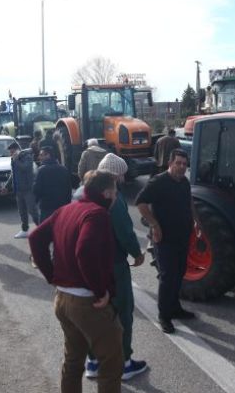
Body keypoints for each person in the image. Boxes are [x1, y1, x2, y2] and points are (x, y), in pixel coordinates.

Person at [29, 170, 123, 393]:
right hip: (87, 303)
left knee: (73, 361)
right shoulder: (97, 214)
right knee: (111, 363)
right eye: (116, 192)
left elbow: (35, 237)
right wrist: (100, 291)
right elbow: (85, 251)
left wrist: (51, 275)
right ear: (107, 193)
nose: (116, 197)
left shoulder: (66, 209)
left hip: (62, 299)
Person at [78, 154, 147, 381]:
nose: (124, 177)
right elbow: (125, 232)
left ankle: (93, 361)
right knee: (122, 313)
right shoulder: (113, 199)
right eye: (122, 173)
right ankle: (125, 363)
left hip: (87, 266)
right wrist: (137, 253)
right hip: (114, 266)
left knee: (95, 314)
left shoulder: (81, 193)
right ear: (115, 175)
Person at [136, 148, 197, 334]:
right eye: (177, 163)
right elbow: (141, 203)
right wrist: (154, 225)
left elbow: (189, 203)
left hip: (182, 235)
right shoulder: (158, 182)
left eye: (184, 164)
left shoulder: (184, 182)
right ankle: (164, 315)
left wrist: (197, 222)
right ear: (170, 163)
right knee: (167, 276)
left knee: (179, 273)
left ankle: (175, 307)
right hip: (165, 238)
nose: (181, 167)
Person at [5, 142, 39, 238]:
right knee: (22, 211)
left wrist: (16, 160)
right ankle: (24, 230)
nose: (10, 154)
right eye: (10, 153)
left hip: (28, 189)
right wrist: (7, 186)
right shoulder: (14, 159)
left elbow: (26, 168)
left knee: (32, 210)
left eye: (12, 152)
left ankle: (41, 227)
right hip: (18, 189)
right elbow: (13, 174)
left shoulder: (27, 156)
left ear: (16, 150)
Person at [32, 146, 73, 223]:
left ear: (48, 155)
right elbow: (69, 189)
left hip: (47, 207)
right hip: (62, 206)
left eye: (41, 155)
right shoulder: (63, 169)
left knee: (45, 231)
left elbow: (37, 190)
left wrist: (35, 202)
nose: (39, 157)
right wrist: (68, 204)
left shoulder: (41, 170)